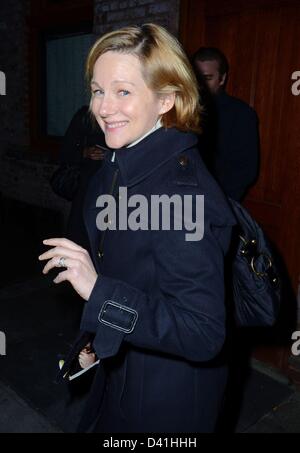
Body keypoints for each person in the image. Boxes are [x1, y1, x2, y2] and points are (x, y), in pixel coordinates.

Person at [39, 23, 236, 433]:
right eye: (97, 90)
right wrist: (95, 340)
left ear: (167, 99)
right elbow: (132, 274)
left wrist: (98, 291)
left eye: (123, 91)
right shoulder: (122, 163)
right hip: (123, 371)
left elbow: (203, 333)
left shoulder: (181, 195)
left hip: (166, 400)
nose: (104, 108)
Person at [193, 47, 259, 201]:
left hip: (218, 204)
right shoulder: (180, 109)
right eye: (197, 78)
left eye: (208, 78)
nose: (201, 84)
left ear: (222, 79)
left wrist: (219, 201)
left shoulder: (241, 114)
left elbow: (246, 170)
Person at [50, 105, 107, 251]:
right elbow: (66, 151)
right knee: (82, 236)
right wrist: (85, 152)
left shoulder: (125, 116)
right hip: (87, 186)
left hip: (114, 186)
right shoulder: (86, 115)